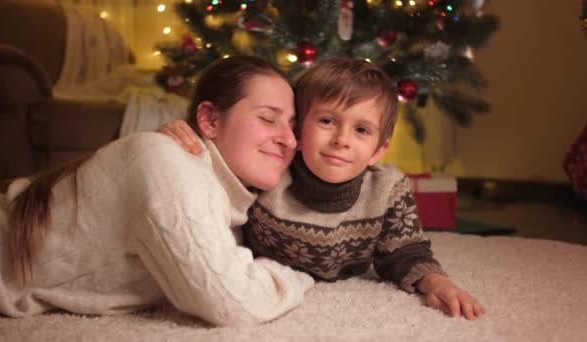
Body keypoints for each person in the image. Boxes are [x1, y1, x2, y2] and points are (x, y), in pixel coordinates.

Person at [0, 56, 314, 326]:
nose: (290, 140)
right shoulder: (168, 162)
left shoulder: (227, 197)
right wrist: (301, 279)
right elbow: (234, 303)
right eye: (268, 119)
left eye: (293, 126)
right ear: (210, 120)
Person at [161, 58, 486, 320]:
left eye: (361, 130)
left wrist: (435, 280)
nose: (341, 139)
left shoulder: (385, 188)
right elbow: (218, 173)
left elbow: (404, 251)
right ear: (298, 130)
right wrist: (184, 134)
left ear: (377, 150)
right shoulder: (272, 173)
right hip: (264, 282)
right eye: (327, 121)